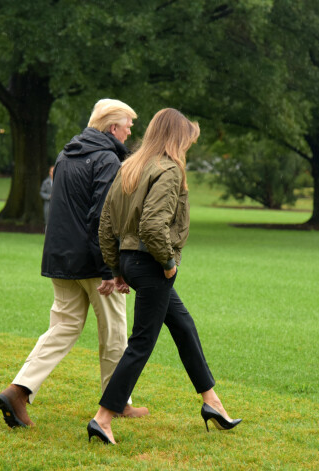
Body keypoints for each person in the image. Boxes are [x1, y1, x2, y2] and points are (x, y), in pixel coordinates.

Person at [87, 108, 241, 445]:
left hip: (133, 261)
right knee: (141, 344)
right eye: (188, 140)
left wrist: (117, 269)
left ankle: (212, 403)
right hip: (152, 263)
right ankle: (103, 418)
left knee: (183, 326)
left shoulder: (131, 165)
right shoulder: (168, 170)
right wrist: (169, 264)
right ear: (177, 138)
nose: (188, 147)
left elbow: (106, 225)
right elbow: (153, 226)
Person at [0, 99, 148, 428]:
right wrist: (112, 270)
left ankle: (18, 390)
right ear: (112, 128)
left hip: (61, 258)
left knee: (62, 328)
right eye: (127, 125)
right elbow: (103, 217)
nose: (130, 131)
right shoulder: (108, 159)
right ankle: (117, 403)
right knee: (115, 333)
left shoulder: (66, 155)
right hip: (95, 263)